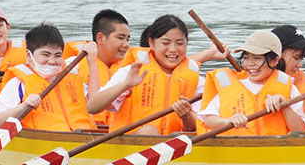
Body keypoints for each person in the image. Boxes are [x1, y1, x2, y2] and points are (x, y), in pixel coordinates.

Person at [86, 14, 224, 135]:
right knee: (149, 131)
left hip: (173, 147)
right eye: (166, 43)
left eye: (180, 43)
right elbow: (92, 107)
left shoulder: (197, 80)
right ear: (151, 43)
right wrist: (125, 85)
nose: (173, 50)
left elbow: (196, 127)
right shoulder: (132, 72)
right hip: (132, 146)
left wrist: (186, 115)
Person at [198, 31, 305, 136]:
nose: (250, 64)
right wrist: (227, 121)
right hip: (235, 149)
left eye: (257, 58)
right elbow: (208, 120)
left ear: (275, 61)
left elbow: (301, 131)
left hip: (275, 150)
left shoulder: (289, 89)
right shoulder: (230, 86)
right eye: (246, 58)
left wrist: (285, 105)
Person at [0, 24, 97, 131]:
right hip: (43, 140)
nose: (52, 61)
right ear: (29, 56)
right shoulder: (18, 83)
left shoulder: (72, 77)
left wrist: (92, 63)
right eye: (45, 55)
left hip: (83, 136)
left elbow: (94, 103)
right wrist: (24, 106)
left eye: (58, 55)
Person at [272, 24, 305, 124]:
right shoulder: (256, 82)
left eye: (302, 59)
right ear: (277, 55)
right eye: (296, 58)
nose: (299, 65)